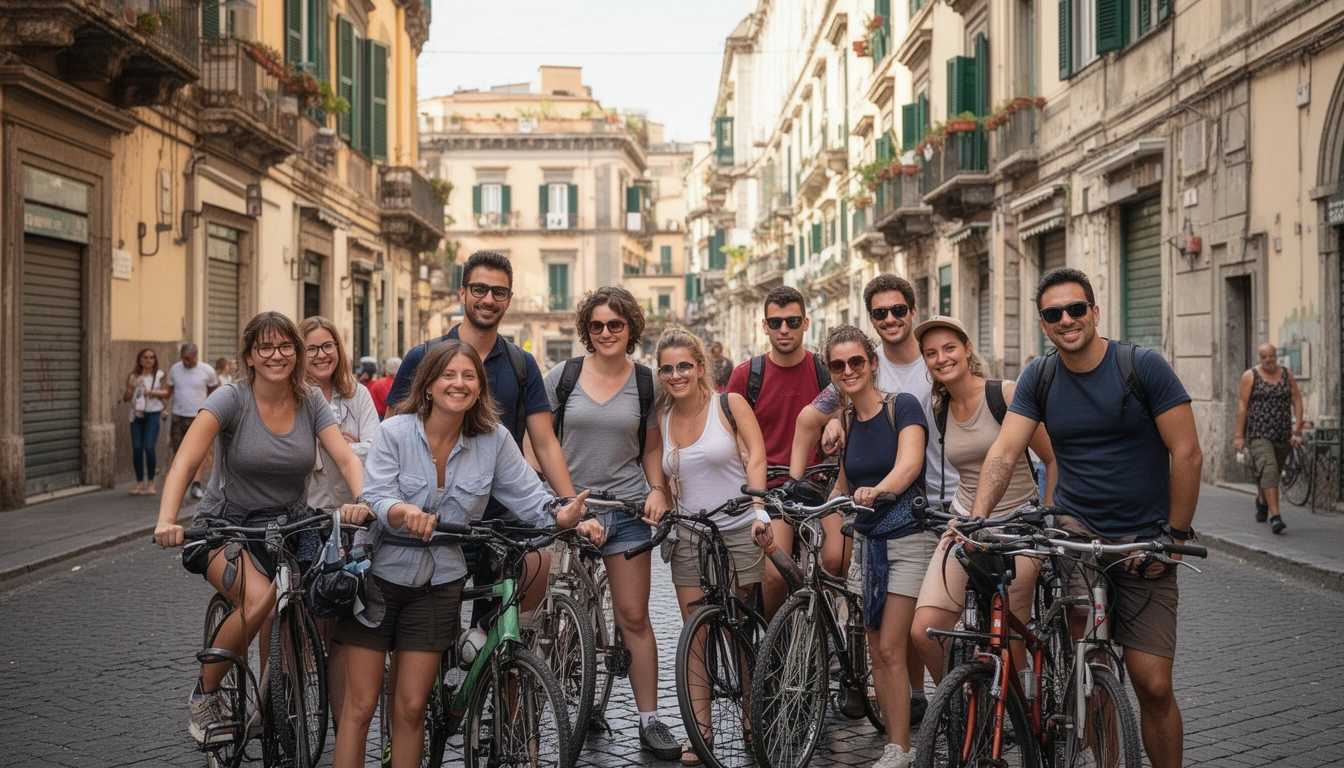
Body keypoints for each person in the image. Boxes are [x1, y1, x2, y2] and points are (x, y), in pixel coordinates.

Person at [331, 339, 603, 768]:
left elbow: (531, 498)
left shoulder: (493, 439)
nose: (458, 384)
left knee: (411, 708)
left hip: (439, 584)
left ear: (479, 388)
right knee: (360, 707)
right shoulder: (394, 431)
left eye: (468, 376)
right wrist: (404, 512)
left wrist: (564, 514)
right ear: (428, 385)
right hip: (378, 580)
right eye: (448, 375)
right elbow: (376, 493)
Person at [971, 268, 1202, 768]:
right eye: (1054, 314)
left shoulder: (1142, 366)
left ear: (1095, 313)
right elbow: (1005, 450)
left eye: (1077, 309)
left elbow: (1186, 453)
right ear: (1043, 323)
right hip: (1075, 536)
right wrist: (978, 518)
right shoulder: (1040, 375)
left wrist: (1174, 538)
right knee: (1089, 665)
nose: (1067, 320)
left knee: (1153, 683)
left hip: (1144, 539)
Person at [152, 311, 370, 744]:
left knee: (302, 606)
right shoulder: (231, 400)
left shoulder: (310, 400)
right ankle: (205, 692)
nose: (277, 355)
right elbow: (186, 459)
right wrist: (166, 519)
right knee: (262, 601)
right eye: (265, 347)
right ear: (250, 355)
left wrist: (365, 500)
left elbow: (345, 457)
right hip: (227, 527)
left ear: (296, 352)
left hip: (290, 524)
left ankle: (275, 703)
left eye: (286, 346)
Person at [387, 250, 577, 619]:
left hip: (502, 522)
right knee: (429, 638)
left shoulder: (521, 364)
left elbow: (544, 441)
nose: (488, 299)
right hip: (433, 520)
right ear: (462, 293)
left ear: (508, 299)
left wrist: (566, 503)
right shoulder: (423, 356)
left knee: (501, 637)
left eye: (498, 292)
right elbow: (391, 437)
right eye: (479, 289)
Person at [790, 274, 948, 718]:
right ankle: (910, 706)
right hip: (886, 507)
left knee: (923, 627)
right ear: (871, 320)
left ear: (913, 313)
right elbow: (810, 418)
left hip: (943, 496)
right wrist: (834, 422)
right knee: (891, 631)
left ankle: (965, 704)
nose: (891, 318)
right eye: (880, 313)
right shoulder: (851, 379)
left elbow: (973, 391)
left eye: (899, 310)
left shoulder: (933, 360)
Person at [544, 287, 680, 760]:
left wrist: (658, 489)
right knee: (551, 618)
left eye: (615, 325)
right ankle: (558, 704)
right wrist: (555, 501)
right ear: (587, 330)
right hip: (568, 510)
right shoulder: (561, 377)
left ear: (630, 329)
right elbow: (537, 441)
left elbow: (651, 449)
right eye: (597, 325)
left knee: (634, 617)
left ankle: (649, 719)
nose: (606, 333)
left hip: (625, 512)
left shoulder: (646, 384)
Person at [908, 316, 1057, 686]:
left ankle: (1023, 704)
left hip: (1020, 523)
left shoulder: (1004, 394)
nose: (941, 358)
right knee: (924, 628)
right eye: (931, 353)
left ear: (967, 349)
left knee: (1012, 626)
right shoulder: (939, 408)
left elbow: (1053, 459)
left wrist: (1050, 519)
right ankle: (963, 704)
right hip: (966, 521)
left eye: (949, 348)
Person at [655, 328, 771, 765]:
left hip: (739, 529)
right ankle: (699, 731)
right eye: (667, 368)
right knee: (695, 634)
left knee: (740, 628)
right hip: (689, 536)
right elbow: (663, 475)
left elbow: (756, 456)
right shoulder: (662, 418)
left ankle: (748, 715)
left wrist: (759, 508)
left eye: (684, 365)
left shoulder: (729, 404)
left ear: (700, 367)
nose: (676, 374)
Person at [826, 325, 930, 768]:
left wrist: (878, 490)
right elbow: (844, 483)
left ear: (871, 362)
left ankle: (954, 705)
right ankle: (897, 746)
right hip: (869, 544)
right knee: (876, 649)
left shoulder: (901, 406)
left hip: (907, 537)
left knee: (892, 646)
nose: (848, 370)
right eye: (838, 364)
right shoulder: (846, 420)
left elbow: (910, 464)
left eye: (856, 361)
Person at [725, 286, 834, 618]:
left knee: (833, 569)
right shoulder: (747, 375)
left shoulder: (825, 370)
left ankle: (827, 638)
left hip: (819, 486)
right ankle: (776, 646)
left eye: (792, 321)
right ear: (765, 326)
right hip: (769, 489)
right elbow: (728, 425)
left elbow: (850, 407)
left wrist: (836, 423)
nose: (784, 329)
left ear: (806, 323)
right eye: (776, 322)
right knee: (774, 577)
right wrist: (743, 453)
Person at [299, 315, 381, 725]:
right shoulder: (293, 397)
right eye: (311, 347)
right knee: (305, 607)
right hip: (307, 513)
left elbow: (375, 445)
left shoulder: (357, 395)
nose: (320, 354)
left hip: (352, 517)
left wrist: (343, 445)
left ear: (339, 349)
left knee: (344, 608)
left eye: (327, 345)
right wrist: (342, 444)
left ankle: (337, 700)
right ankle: (285, 687)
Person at [1234, 343, 1305, 534]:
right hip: (1259, 433)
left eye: (1271, 356)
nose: (1268, 360)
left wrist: (1297, 429)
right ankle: (1275, 517)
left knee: (1268, 473)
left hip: (1282, 433)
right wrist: (1239, 436)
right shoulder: (1250, 376)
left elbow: (1297, 399)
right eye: (1264, 357)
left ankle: (1263, 501)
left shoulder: (1287, 375)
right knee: (1269, 469)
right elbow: (1242, 406)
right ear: (1259, 357)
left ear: (1276, 356)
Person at [165, 343, 220, 499]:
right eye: (183, 359)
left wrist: (208, 408)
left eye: (188, 359)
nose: (185, 362)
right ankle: (182, 483)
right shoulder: (175, 369)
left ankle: (196, 483)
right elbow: (169, 390)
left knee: (200, 452)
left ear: (195, 356)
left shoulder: (207, 371)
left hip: (198, 416)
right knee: (179, 452)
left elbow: (214, 391)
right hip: (178, 415)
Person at [122, 347, 169, 496]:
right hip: (136, 415)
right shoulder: (133, 376)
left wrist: (153, 392)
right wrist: (131, 388)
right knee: (137, 447)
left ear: (155, 360)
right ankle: (139, 482)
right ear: (140, 360)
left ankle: (151, 482)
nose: (148, 360)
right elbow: (126, 398)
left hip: (153, 413)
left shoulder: (160, 375)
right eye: (145, 357)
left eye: (151, 358)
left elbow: (167, 392)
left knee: (149, 446)